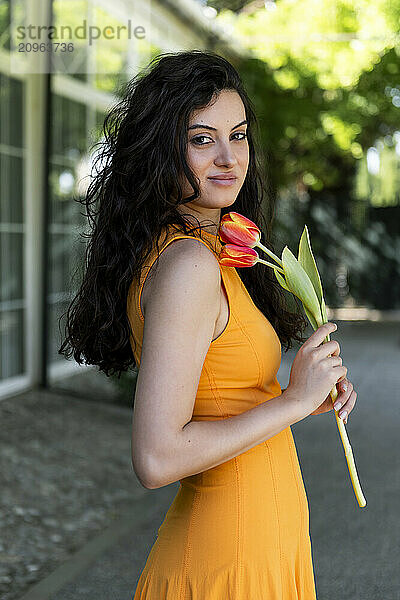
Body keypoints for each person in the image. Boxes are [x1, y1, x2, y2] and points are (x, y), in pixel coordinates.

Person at [59, 49, 357, 599]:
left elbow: (219, 393)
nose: (228, 158)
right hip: (228, 560)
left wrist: (303, 395)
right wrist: (289, 403)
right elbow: (156, 458)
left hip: (261, 543)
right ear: (160, 152)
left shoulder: (209, 250)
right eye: (201, 139)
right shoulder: (190, 264)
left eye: (238, 135)